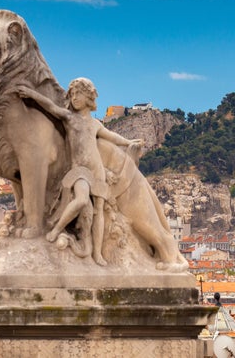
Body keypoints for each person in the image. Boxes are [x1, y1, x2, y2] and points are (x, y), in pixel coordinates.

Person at [17, 78, 142, 266]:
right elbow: (50, 107)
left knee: (98, 211)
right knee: (82, 199)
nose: (74, 97)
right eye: (72, 94)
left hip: (97, 170)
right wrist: (32, 95)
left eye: (79, 94)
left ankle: (97, 253)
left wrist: (128, 142)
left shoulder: (95, 124)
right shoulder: (70, 118)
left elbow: (112, 136)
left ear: (89, 97)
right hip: (79, 171)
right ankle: (56, 229)